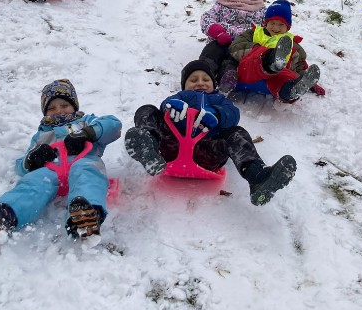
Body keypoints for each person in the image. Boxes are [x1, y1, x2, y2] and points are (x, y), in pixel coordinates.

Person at [124, 60, 297, 205]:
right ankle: (149, 148)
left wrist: (217, 113)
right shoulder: (181, 96)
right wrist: (171, 107)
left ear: (214, 84)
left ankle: (257, 176)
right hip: (170, 147)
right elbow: (166, 104)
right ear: (184, 85)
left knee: (237, 133)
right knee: (147, 110)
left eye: (206, 79)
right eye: (193, 79)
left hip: (207, 151)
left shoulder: (219, 100)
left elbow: (233, 115)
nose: (200, 82)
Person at [0, 79, 122, 239]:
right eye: (52, 108)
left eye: (64, 105)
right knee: (34, 183)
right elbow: (21, 165)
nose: (59, 111)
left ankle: (86, 217)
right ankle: (6, 215)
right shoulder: (42, 134)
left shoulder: (86, 122)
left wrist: (87, 133)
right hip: (52, 171)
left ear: (74, 106)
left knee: (88, 175)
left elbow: (113, 125)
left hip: (83, 162)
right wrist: (32, 159)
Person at [228, 0, 321, 101]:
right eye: (272, 23)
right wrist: (258, 50)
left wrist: (307, 81)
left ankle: (291, 90)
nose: (276, 27)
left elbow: (300, 65)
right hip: (248, 75)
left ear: (287, 28)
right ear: (266, 23)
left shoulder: (292, 44)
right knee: (255, 58)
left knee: (287, 76)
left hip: (271, 82)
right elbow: (235, 47)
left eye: (281, 24)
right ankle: (270, 60)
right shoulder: (253, 34)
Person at [198, 0, 267, 95]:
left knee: (233, 60)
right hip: (220, 40)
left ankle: (227, 79)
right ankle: (203, 73)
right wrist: (217, 32)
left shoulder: (258, 8)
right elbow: (206, 18)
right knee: (211, 53)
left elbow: (266, 27)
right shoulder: (222, 3)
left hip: (242, 45)